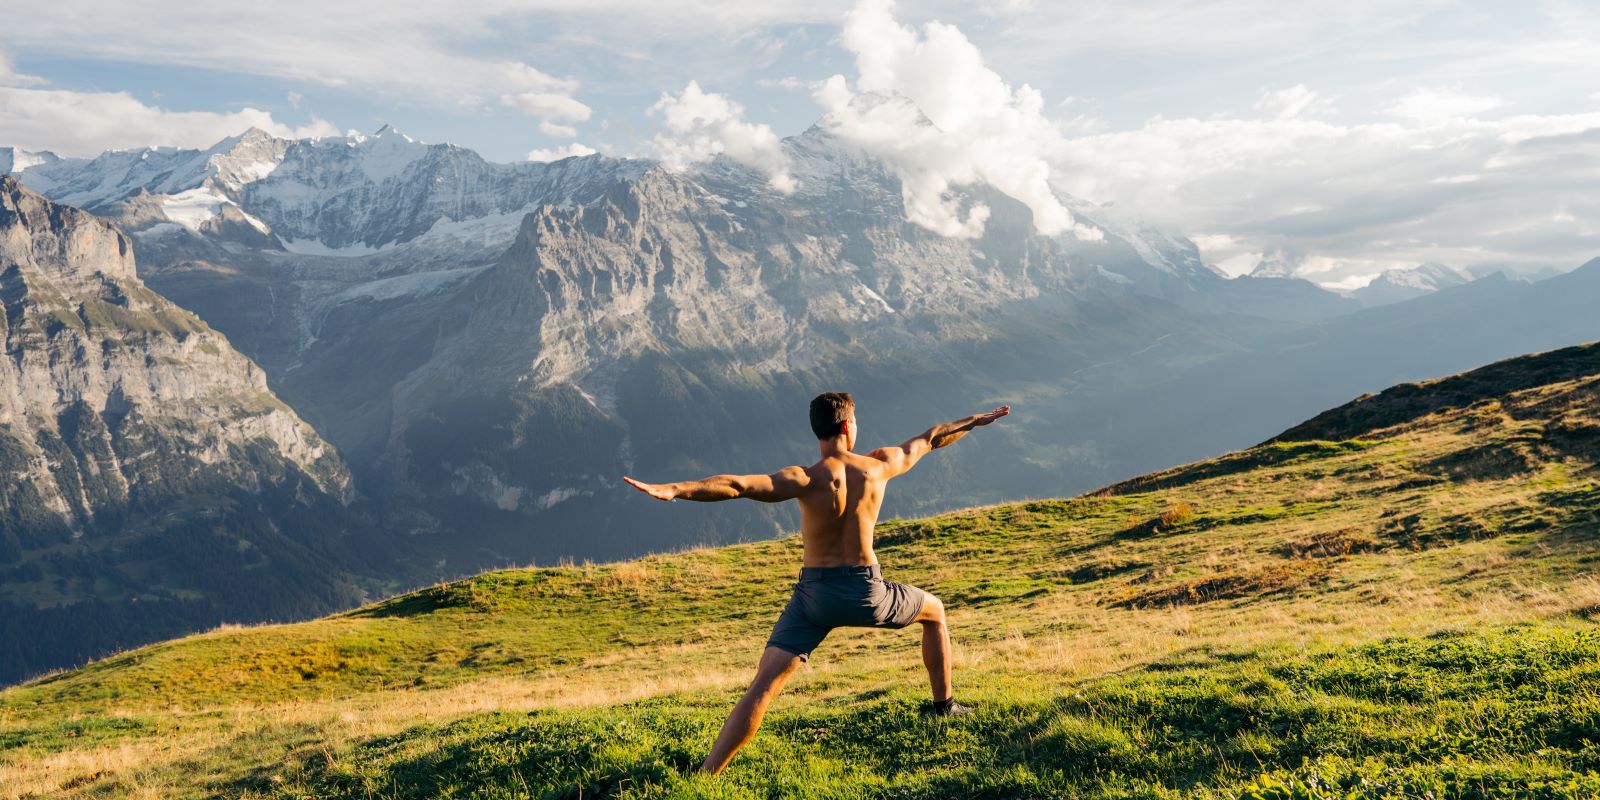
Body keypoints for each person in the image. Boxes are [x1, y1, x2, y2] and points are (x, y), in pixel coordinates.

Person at [622, 392, 1011, 775]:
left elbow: (737, 485)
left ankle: (707, 773)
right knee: (936, 612)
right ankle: (944, 707)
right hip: (867, 593)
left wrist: (676, 490)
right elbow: (931, 438)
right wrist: (973, 421)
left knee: (763, 687)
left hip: (814, 598)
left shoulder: (805, 478)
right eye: (855, 420)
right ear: (846, 425)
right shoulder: (878, 466)